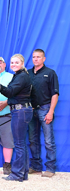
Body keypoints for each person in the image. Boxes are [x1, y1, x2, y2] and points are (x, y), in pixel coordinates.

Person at [0, 54, 32, 182]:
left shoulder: (21, 76)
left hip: (20, 110)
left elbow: (10, 92)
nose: (13, 65)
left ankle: (17, 174)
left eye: (16, 62)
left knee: (18, 143)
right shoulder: (20, 75)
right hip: (22, 110)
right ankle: (23, 173)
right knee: (21, 143)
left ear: (22, 63)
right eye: (12, 62)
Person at [28, 49, 59, 178]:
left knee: (48, 140)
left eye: (38, 57)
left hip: (45, 109)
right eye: (34, 57)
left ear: (44, 59)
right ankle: (36, 167)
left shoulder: (50, 73)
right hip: (30, 110)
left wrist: (51, 112)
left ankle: (50, 168)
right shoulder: (27, 73)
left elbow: (55, 94)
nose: (36, 59)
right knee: (32, 140)